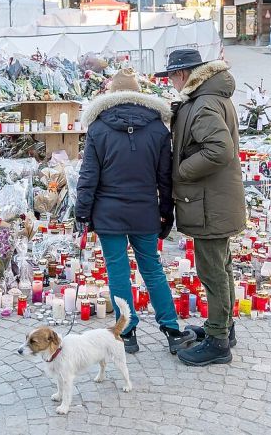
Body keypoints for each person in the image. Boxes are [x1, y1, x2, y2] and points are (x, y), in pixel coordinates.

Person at [75, 67, 197, 355]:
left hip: (108, 213)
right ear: (138, 94)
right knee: (152, 269)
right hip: (145, 211)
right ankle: (171, 329)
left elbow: (88, 176)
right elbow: (165, 177)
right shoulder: (157, 127)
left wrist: (82, 213)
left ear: (112, 95)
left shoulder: (99, 127)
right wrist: (166, 212)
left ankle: (126, 334)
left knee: (118, 272)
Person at [160, 49, 246, 367]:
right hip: (215, 200)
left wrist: (181, 170)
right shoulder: (208, 98)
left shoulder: (205, 102)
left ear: (185, 75)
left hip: (211, 203)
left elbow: (219, 150)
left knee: (213, 272)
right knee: (221, 268)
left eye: (172, 76)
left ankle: (218, 342)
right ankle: (222, 327)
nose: (170, 82)